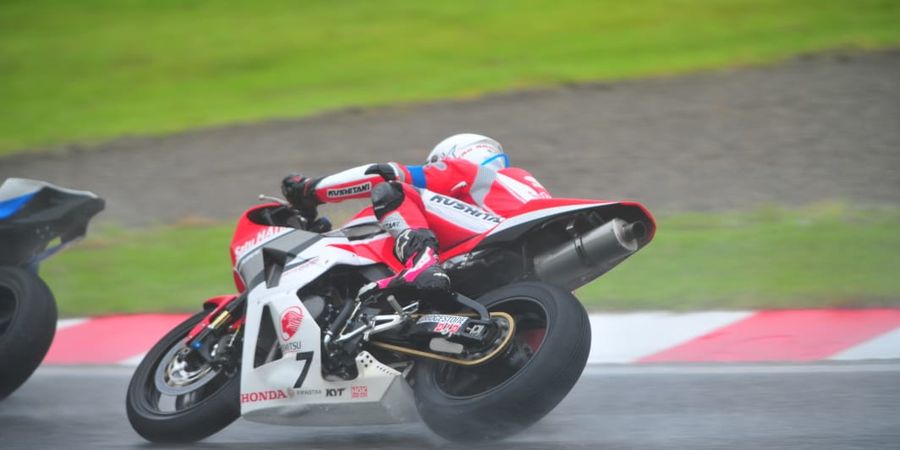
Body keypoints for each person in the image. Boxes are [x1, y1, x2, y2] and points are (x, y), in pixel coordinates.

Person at [282, 133, 551, 297]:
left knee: (393, 191)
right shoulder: (520, 181)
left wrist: (309, 191)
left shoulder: (464, 171)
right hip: (528, 262)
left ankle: (422, 263)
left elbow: (383, 174)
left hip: (499, 236)